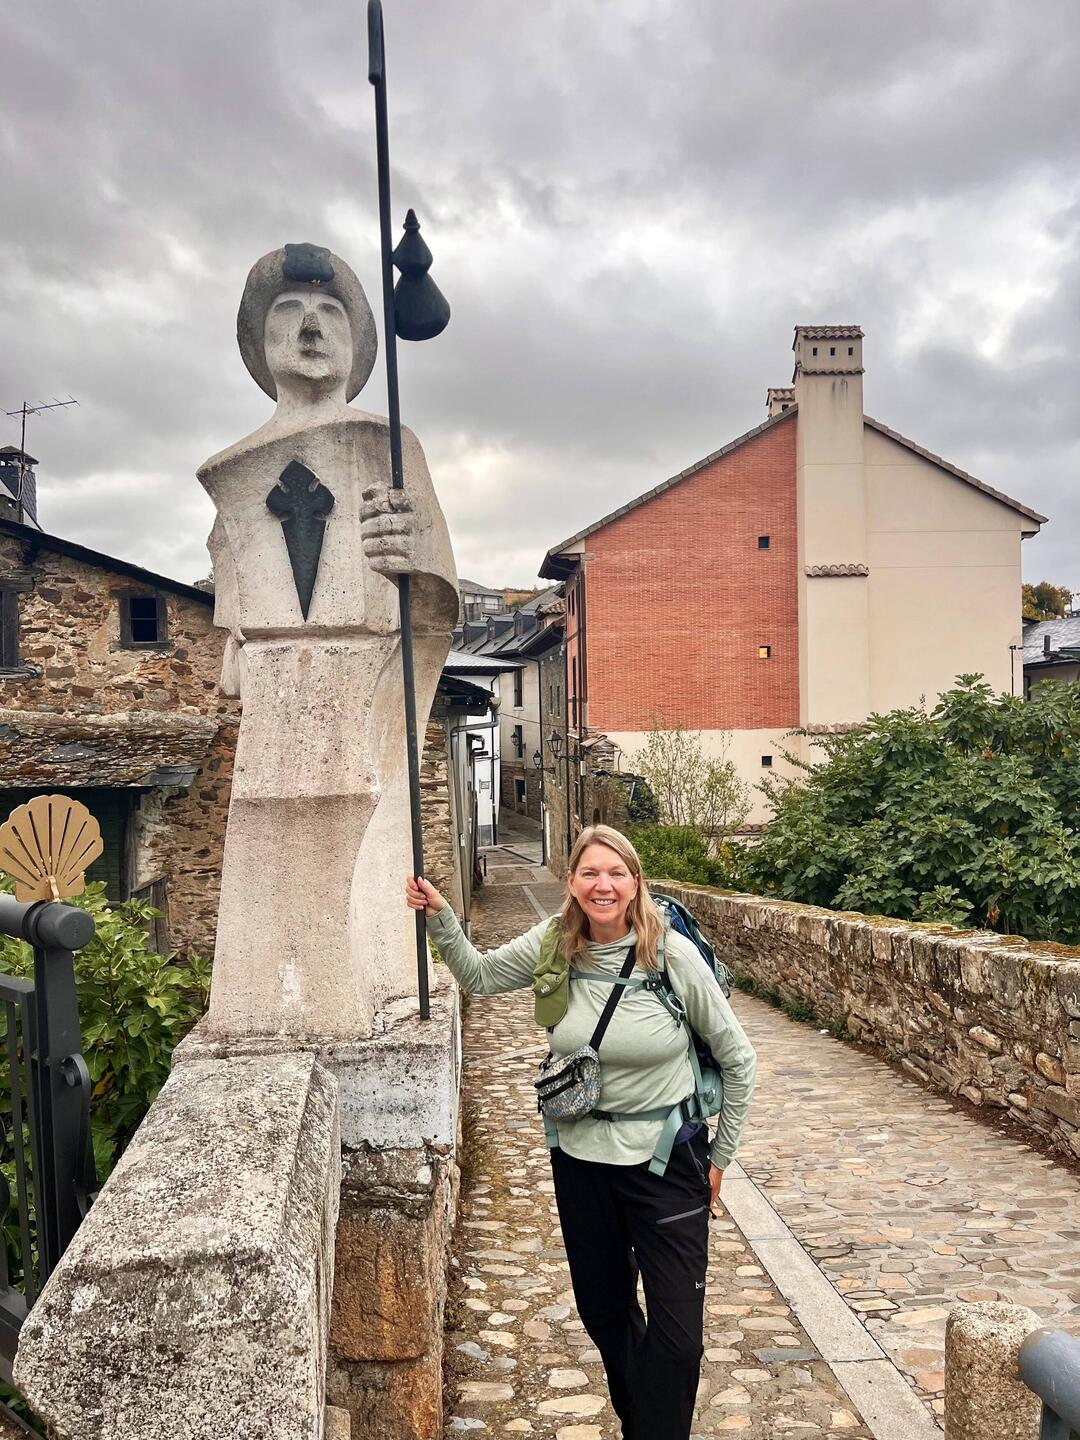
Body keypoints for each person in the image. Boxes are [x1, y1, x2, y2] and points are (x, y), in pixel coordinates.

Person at [406, 823, 757, 1440]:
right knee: (604, 1315)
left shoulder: (671, 955)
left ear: (635, 883)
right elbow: (481, 977)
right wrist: (441, 919)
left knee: (676, 1342)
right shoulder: (554, 944)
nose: (603, 885)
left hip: (667, 1163)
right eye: (590, 873)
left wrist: (719, 1157)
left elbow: (739, 1058)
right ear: (571, 882)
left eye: (616, 873)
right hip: (580, 1161)